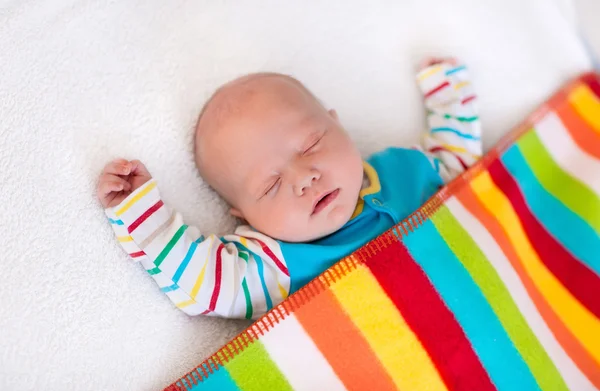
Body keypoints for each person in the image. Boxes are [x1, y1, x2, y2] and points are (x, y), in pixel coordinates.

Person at [97, 57, 481, 319]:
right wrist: (139, 211)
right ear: (245, 217)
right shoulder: (273, 265)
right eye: (271, 184)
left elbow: (466, 173)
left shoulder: (406, 170)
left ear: (337, 123)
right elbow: (199, 280)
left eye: (311, 144)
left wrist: (450, 100)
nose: (304, 177)